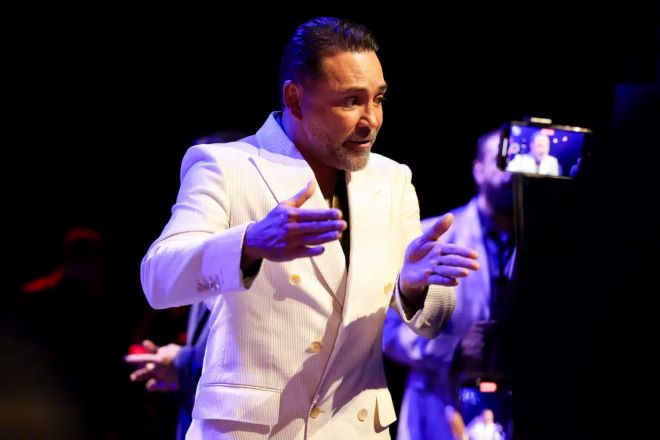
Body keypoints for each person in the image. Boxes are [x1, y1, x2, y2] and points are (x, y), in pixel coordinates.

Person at [140, 16, 480, 439]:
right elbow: (159, 279)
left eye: (378, 99)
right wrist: (250, 243)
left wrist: (412, 289)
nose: (371, 119)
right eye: (351, 101)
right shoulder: (228, 166)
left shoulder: (392, 180)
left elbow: (431, 323)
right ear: (295, 99)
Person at [383, 130, 515, 440]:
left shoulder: (551, 245)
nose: (510, 171)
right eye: (500, 159)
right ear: (477, 169)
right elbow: (387, 332)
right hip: (440, 402)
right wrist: (453, 350)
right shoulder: (431, 238)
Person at [126, 130, 244, 440]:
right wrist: (177, 364)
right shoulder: (205, 252)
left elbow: (265, 356)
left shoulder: (264, 254)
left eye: (206, 179)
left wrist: (182, 362)